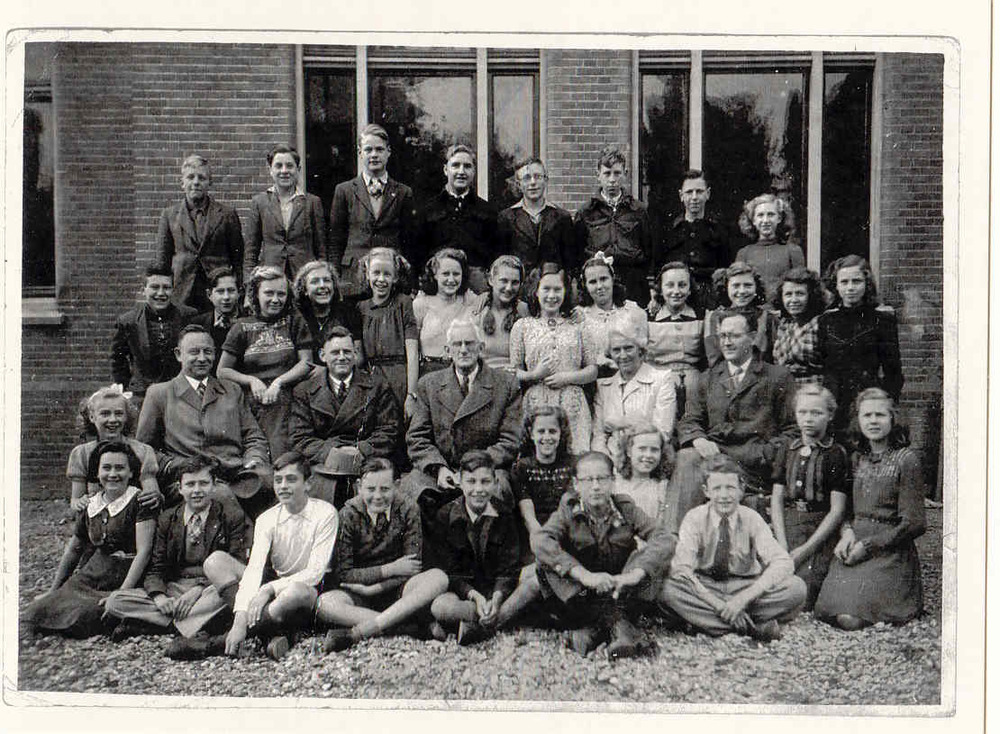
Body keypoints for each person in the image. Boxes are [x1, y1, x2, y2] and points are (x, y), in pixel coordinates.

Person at [515, 452, 673, 658]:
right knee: (546, 562)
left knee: (648, 556)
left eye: (602, 479)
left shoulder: (626, 508)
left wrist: (634, 575)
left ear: (613, 481)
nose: (596, 486)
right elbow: (541, 540)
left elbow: (664, 537)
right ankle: (618, 628)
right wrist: (584, 575)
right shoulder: (568, 509)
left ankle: (594, 632)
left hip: (619, 591)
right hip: (581, 596)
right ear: (576, 484)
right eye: (588, 480)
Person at [668, 310, 797, 532]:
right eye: (723, 336)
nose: (727, 342)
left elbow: (793, 430)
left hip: (754, 464)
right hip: (715, 457)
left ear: (753, 337)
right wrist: (698, 439)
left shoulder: (777, 376)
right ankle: (675, 539)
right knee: (687, 457)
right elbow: (689, 420)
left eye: (735, 336)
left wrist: (765, 453)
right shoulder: (708, 377)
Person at [660, 454, 807, 641]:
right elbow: (682, 570)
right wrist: (719, 605)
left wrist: (743, 599)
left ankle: (705, 624)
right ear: (706, 491)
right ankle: (754, 628)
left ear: (741, 490)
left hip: (744, 586)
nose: (724, 496)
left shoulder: (751, 518)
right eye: (717, 488)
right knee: (667, 589)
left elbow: (783, 562)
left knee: (796, 588)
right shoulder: (694, 518)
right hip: (706, 586)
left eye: (730, 488)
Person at [103, 456, 249, 644]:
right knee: (115, 601)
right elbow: (156, 568)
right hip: (176, 589)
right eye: (190, 484)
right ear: (180, 488)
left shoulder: (231, 516)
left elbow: (236, 565)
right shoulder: (168, 519)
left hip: (210, 588)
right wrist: (159, 597)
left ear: (214, 486)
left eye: (203, 483)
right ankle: (187, 624)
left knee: (229, 595)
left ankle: (156, 625)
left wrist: (198, 589)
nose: (197, 490)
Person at [814, 389, 925, 629]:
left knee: (850, 618)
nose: (873, 421)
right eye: (867, 415)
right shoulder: (856, 459)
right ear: (858, 420)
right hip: (855, 544)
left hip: (890, 551)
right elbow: (846, 511)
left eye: (880, 415)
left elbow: (914, 523)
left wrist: (869, 546)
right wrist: (847, 533)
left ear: (893, 419)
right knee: (827, 610)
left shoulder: (906, 460)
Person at [210, 453, 339, 660]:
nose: (283, 486)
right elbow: (254, 570)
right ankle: (267, 630)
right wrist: (240, 618)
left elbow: (315, 572)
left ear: (308, 483)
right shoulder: (267, 518)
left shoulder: (325, 513)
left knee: (295, 592)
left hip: (309, 590)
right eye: (278, 480)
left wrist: (268, 589)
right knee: (215, 562)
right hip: (276, 586)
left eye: (291, 479)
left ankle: (220, 642)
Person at [136, 324, 272, 519]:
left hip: (235, 473)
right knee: (221, 496)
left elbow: (253, 435)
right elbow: (144, 448)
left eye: (207, 352)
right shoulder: (160, 393)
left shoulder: (232, 390)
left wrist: (254, 460)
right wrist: (177, 465)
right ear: (178, 355)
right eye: (194, 352)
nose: (202, 358)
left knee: (271, 484)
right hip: (189, 480)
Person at [22, 441, 156, 638]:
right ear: (97, 472)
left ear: (131, 472)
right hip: (93, 574)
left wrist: (121, 593)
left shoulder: (140, 501)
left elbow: (144, 551)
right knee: (37, 610)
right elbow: (75, 548)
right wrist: (54, 589)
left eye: (120, 468)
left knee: (86, 617)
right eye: (106, 468)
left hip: (126, 576)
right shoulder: (91, 504)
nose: (112, 474)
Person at [319, 458, 448, 651]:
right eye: (370, 489)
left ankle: (363, 630)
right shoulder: (348, 514)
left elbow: (413, 566)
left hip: (400, 591)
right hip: (359, 593)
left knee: (438, 578)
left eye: (385, 489)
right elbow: (344, 573)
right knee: (325, 604)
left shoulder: (408, 509)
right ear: (359, 487)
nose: (378, 496)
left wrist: (376, 588)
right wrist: (389, 569)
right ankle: (408, 627)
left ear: (396, 486)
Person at [402, 317, 522, 520]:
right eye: (457, 344)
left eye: (469, 343)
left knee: (499, 490)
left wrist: (472, 470)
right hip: (442, 469)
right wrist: (439, 469)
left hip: (486, 468)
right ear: (447, 350)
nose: (464, 350)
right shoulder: (428, 385)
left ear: (481, 348)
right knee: (413, 493)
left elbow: (510, 441)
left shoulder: (505, 384)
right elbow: (417, 438)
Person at [288, 327, 400, 508]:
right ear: (322, 355)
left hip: (367, 462)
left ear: (355, 354)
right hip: (324, 465)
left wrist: (361, 450)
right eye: (335, 352)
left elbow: (389, 430)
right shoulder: (304, 391)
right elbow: (299, 437)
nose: (341, 357)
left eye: (347, 352)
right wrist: (331, 452)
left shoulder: (377, 385)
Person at [427, 450, 522, 645]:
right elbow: (449, 571)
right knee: (440, 606)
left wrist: (497, 597)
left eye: (485, 482)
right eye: (471, 482)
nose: (478, 489)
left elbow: (509, 567)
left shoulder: (504, 514)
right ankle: (495, 621)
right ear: (460, 482)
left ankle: (478, 626)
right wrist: (475, 597)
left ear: (495, 483)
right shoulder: (445, 516)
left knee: (530, 582)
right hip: (465, 594)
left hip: (496, 591)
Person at [218, 265, 314, 459]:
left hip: (288, 396)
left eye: (281, 294)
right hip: (254, 399)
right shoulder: (242, 326)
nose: (276, 299)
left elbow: (306, 363)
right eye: (269, 293)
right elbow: (223, 371)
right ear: (256, 294)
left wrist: (279, 382)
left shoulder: (295, 321)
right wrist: (252, 381)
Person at [770, 384, 849, 608]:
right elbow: (776, 498)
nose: (808, 419)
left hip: (818, 531)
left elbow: (837, 510)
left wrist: (804, 551)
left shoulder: (835, 453)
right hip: (788, 525)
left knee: (804, 595)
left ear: (830, 415)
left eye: (816, 413)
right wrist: (781, 543)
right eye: (802, 412)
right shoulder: (787, 449)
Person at [509, 263, 598, 455]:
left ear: (565, 292)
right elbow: (513, 372)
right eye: (546, 289)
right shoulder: (522, 326)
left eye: (557, 289)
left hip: (572, 402)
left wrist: (567, 377)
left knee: (574, 457)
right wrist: (534, 374)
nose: (552, 295)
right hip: (536, 401)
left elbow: (592, 370)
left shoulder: (578, 325)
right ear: (536, 291)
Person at [817, 255, 904, 433]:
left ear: (867, 284)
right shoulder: (826, 321)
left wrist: (885, 403)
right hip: (835, 402)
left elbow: (893, 371)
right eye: (844, 282)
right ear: (836, 285)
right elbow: (824, 368)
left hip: (869, 401)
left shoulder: (882, 319)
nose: (850, 287)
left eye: (856, 281)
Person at [329, 124, 416, 299]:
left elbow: (409, 241)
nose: (374, 154)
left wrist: (410, 280)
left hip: (389, 276)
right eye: (368, 149)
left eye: (379, 149)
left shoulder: (403, 192)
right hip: (352, 276)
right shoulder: (344, 190)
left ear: (388, 152)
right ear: (360, 152)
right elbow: (336, 240)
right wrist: (335, 279)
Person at [154, 154, 245, 311]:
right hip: (182, 291)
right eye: (190, 177)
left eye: (201, 178)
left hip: (217, 292)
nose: (196, 182)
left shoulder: (227, 214)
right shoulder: (169, 215)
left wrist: (239, 293)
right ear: (182, 182)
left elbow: (238, 260)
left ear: (210, 182)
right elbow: (162, 261)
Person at [573, 145, 653, 306]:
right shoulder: (586, 212)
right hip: (598, 288)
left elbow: (649, 252)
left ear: (625, 174)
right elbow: (577, 255)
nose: (612, 179)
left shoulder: (639, 210)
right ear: (598, 175)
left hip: (633, 287)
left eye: (617, 173)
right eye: (607, 173)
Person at [412, 144, 498, 292]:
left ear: (474, 171)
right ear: (446, 170)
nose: (461, 172)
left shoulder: (487, 211)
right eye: (456, 165)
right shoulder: (427, 210)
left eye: (467, 166)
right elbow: (417, 254)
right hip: (437, 287)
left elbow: (494, 255)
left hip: (476, 290)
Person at [67, 385, 161, 513]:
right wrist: (80, 502)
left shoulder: (142, 451)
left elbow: (151, 492)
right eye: (105, 414)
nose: (113, 420)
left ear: (126, 417)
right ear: (92, 417)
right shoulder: (81, 454)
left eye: (119, 413)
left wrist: (153, 496)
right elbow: (75, 500)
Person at [110, 264, 197, 402]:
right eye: (155, 287)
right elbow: (117, 360)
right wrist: (127, 388)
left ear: (173, 289)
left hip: (180, 395)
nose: (161, 293)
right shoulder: (128, 321)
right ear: (143, 289)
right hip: (143, 395)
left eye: (166, 287)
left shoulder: (189, 316)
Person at [244, 144, 327, 285]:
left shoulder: (312, 202)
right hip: (271, 278)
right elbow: (251, 251)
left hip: (304, 278)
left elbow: (321, 250)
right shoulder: (260, 202)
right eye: (278, 166)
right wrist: (249, 283)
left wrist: (320, 280)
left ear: (298, 169)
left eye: (289, 166)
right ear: (270, 170)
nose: (284, 171)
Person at [591, 322, 676, 457]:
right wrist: (604, 459)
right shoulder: (604, 387)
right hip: (611, 457)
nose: (623, 355)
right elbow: (598, 436)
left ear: (640, 350)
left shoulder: (661, 379)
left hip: (648, 455)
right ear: (610, 354)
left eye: (628, 348)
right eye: (616, 350)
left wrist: (621, 422)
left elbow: (663, 431)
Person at [357, 247, 419, 417]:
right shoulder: (360, 308)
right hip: (371, 380)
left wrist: (411, 394)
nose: (381, 279)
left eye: (387, 274)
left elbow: (413, 353)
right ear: (367, 274)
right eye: (376, 273)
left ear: (395, 277)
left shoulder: (404, 303)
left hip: (399, 379)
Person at [656, 170, 730, 309]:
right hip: (676, 298)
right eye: (689, 192)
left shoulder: (719, 230)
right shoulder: (669, 230)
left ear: (708, 194)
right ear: (681, 196)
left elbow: (726, 268)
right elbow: (658, 268)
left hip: (710, 298)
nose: (694, 197)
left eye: (699, 191)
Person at [646, 262, 707, 417]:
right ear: (661, 289)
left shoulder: (702, 316)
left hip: (694, 386)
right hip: (657, 385)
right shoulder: (648, 319)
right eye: (670, 285)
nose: (676, 291)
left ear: (690, 289)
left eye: (682, 285)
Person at [496, 157, 575, 273]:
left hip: (552, 282)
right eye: (526, 178)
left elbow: (570, 262)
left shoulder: (562, 217)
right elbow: (502, 260)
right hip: (519, 282)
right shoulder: (506, 217)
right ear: (519, 185)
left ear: (546, 180)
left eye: (538, 177)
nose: (533, 182)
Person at [577, 251, 647, 376]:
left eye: (603, 279)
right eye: (593, 282)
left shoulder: (632, 311)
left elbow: (644, 351)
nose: (599, 286)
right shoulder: (580, 316)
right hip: (595, 380)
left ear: (613, 279)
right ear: (585, 286)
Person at [511, 406, 575, 540]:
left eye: (552, 431)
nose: (547, 437)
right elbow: (528, 515)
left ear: (560, 433)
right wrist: (541, 538)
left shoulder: (573, 464)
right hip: (534, 533)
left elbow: (568, 507)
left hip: (566, 530)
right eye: (541, 431)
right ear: (532, 434)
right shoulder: (521, 467)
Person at [413, 247, 476, 376]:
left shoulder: (470, 300)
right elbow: (413, 350)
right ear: (435, 275)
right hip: (429, 372)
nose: (451, 280)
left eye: (456, 274)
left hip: (462, 372)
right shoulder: (421, 304)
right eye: (446, 274)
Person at [704, 262, 778, 366]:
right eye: (736, 286)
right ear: (726, 287)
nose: (742, 291)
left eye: (748, 285)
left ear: (756, 287)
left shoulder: (767, 317)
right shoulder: (716, 317)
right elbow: (714, 357)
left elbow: (772, 356)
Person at [735, 193, 805, 300]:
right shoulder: (744, 253)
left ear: (779, 218)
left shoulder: (793, 251)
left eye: (771, 214)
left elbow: (799, 286)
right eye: (760, 215)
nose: (766, 220)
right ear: (753, 220)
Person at [291, 259, 362, 365]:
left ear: (334, 285)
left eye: (327, 280)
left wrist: (328, 371)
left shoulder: (348, 312)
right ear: (305, 290)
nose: (322, 285)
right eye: (315, 282)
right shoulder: (298, 316)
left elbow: (358, 358)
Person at [470, 254, 530, 370]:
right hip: (483, 376)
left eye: (515, 282)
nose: (508, 288)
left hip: (514, 377)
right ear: (491, 280)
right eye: (504, 281)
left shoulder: (524, 310)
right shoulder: (479, 307)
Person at [771, 267, 829, 385]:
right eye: (788, 294)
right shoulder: (784, 325)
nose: (794, 300)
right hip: (785, 389)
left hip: (813, 390)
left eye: (800, 294)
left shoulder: (820, 323)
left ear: (811, 295)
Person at [612, 422, 673, 523]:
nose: (648, 455)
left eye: (654, 450)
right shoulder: (615, 484)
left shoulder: (662, 487)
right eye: (642, 449)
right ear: (629, 451)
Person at [187, 266, 242, 373]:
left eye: (231, 291)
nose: (226, 297)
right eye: (220, 291)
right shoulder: (197, 323)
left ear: (239, 293)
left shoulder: (248, 322)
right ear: (209, 295)